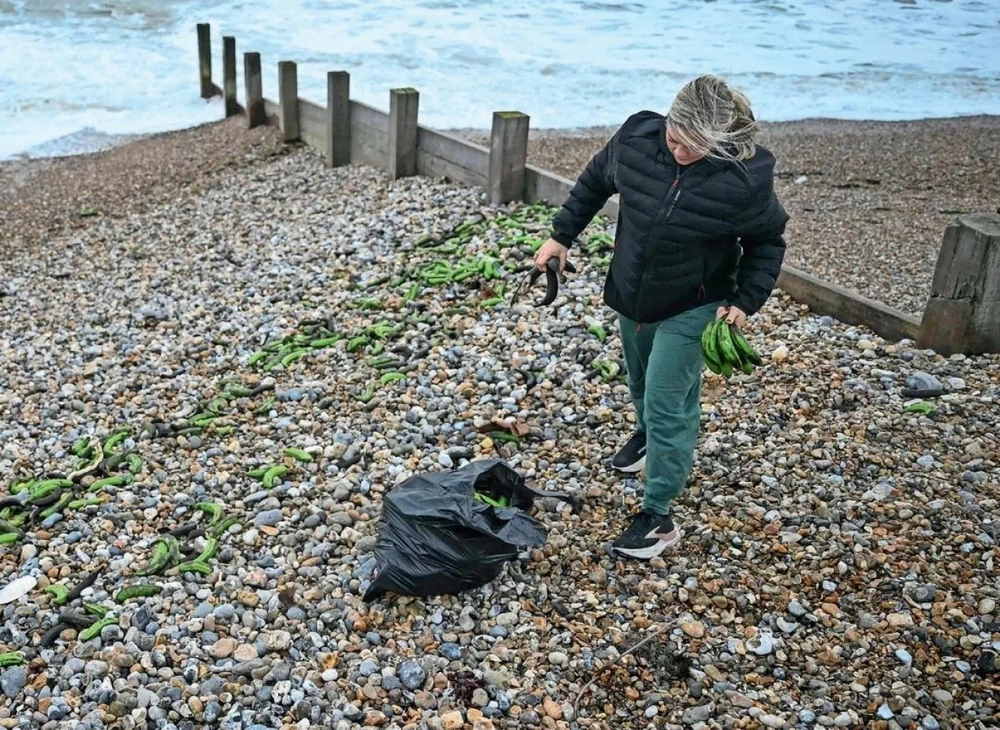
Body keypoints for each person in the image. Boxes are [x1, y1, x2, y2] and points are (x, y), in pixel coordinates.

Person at [534, 74, 789, 560]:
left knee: (668, 403)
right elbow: (592, 183)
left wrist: (744, 301)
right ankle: (648, 437)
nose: (680, 152)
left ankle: (659, 516)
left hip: (696, 303)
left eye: (695, 146)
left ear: (718, 143)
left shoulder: (742, 182)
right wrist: (561, 236)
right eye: (675, 138)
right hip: (632, 293)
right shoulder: (635, 140)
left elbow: (767, 242)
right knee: (640, 383)